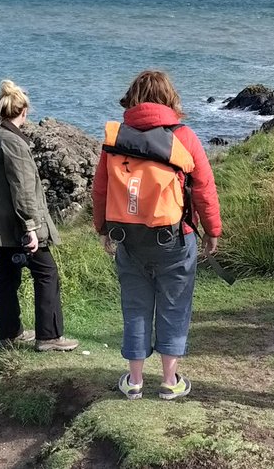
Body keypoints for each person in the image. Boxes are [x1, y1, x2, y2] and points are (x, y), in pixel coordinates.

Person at [94, 70, 222, 401]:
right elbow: (205, 190)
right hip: (176, 238)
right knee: (174, 305)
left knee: (135, 305)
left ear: (133, 97)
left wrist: (102, 230)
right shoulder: (185, 137)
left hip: (128, 238)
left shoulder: (115, 139)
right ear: (170, 97)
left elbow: (101, 191)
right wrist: (212, 232)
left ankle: (134, 381)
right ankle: (169, 381)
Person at [0, 80, 79, 352]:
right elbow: (22, 190)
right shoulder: (13, 142)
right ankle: (49, 336)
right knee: (47, 273)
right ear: (24, 111)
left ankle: (10, 333)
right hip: (18, 226)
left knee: (7, 276)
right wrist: (31, 227)